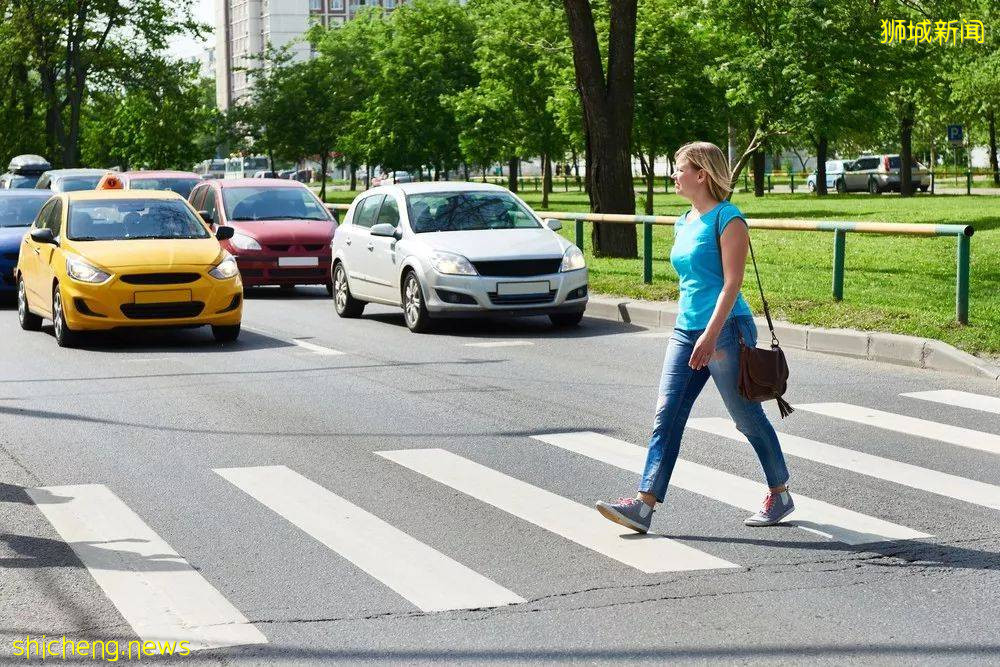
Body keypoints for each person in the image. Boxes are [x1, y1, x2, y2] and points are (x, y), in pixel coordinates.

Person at [596, 141, 793, 534]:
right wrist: (694, 330)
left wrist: (712, 333)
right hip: (686, 330)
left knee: (745, 416)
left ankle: (780, 491)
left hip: (725, 329)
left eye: (679, 168)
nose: (673, 175)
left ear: (701, 174)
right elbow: (691, 281)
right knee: (666, 414)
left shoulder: (729, 219)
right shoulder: (683, 221)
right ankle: (644, 505)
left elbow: (732, 283)